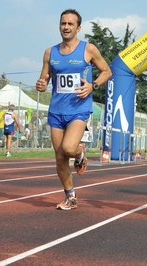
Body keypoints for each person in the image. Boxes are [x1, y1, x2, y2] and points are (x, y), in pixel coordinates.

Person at [35, 9, 112, 211]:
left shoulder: (88, 49)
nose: (66, 27)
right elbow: (45, 78)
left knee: (69, 149)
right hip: (56, 111)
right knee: (60, 158)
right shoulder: (50, 52)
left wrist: (92, 85)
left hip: (79, 108)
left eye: (70, 24)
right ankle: (70, 196)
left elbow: (107, 71)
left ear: (78, 28)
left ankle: (80, 156)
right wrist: (42, 84)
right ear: (59, 26)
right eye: (63, 23)